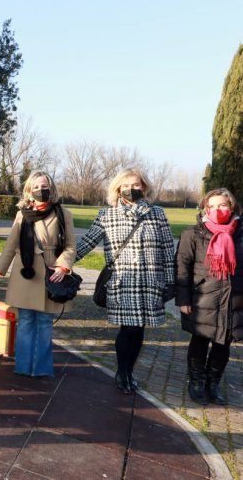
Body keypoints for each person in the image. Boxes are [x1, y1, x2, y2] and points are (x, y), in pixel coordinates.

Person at [75, 168, 175, 394]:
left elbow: (168, 250)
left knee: (139, 329)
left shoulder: (157, 213)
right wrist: (60, 261)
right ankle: (122, 371)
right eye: (126, 185)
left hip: (151, 281)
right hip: (123, 282)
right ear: (118, 189)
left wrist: (170, 281)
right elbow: (87, 243)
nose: (132, 189)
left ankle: (130, 371)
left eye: (137, 185)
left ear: (145, 187)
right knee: (128, 328)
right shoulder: (106, 215)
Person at [176, 188, 243, 405]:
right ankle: (196, 381)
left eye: (222, 205)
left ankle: (213, 382)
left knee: (224, 343)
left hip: (235, 299)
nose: (217, 210)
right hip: (203, 299)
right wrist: (183, 300)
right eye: (211, 206)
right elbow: (182, 268)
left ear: (232, 207)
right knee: (199, 340)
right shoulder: (193, 234)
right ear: (204, 208)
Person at [0, 171, 76, 377]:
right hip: (25, 273)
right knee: (26, 321)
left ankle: (41, 369)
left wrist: (63, 266)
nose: (40, 190)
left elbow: (71, 246)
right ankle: (23, 367)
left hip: (51, 273)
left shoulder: (64, 214)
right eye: (36, 187)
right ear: (29, 190)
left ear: (52, 188)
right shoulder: (22, 214)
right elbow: (11, 245)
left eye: (44, 186)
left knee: (45, 323)